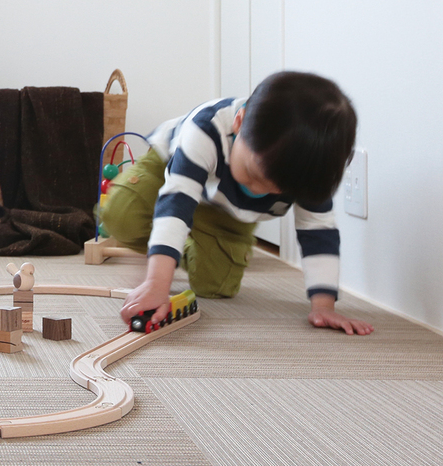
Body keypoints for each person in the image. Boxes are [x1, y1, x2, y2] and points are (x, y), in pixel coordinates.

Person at [101, 71, 374, 335]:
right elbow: (176, 201)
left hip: (227, 211)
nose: (258, 190)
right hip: (170, 175)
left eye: (278, 191)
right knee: (121, 214)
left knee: (216, 285)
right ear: (239, 123)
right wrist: (157, 283)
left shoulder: (309, 172)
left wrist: (324, 306)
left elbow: (318, 231)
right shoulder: (204, 130)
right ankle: (163, 253)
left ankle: (178, 245)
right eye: (254, 175)